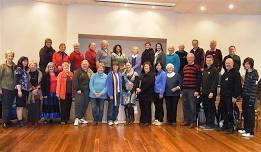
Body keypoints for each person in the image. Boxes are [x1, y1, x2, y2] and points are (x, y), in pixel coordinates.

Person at [219, 58, 242, 133]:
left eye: (229, 63)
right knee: (224, 112)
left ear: (232, 64)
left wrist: (235, 96)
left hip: (231, 97)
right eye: (226, 63)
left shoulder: (236, 73)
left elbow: (238, 86)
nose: (227, 64)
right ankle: (225, 125)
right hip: (223, 97)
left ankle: (231, 127)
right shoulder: (225, 74)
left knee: (230, 112)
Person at [238, 58, 259, 137]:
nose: (246, 65)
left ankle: (250, 132)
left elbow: (254, 88)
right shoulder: (247, 72)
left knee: (250, 115)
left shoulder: (254, 73)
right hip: (245, 96)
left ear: (251, 64)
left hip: (251, 97)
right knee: (245, 113)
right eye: (245, 64)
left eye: (248, 64)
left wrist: (252, 100)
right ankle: (246, 129)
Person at [182, 53, 202, 129]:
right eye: (188, 58)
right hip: (185, 89)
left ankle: (193, 122)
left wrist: (197, 90)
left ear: (193, 58)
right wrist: (182, 89)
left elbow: (199, 79)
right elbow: (183, 78)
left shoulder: (197, 67)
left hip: (192, 90)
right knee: (185, 106)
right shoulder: (185, 67)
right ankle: (187, 120)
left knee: (192, 106)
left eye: (191, 58)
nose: (189, 59)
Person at [201, 55, 219, 130]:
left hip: (210, 93)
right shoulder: (205, 70)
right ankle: (207, 123)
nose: (208, 62)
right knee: (206, 108)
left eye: (209, 60)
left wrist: (211, 92)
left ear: (212, 61)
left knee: (211, 108)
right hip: (204, 93)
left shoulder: (214, 70)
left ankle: (211, 124)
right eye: (207, 60)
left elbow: (215, 82)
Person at [73, 60, 93, 126]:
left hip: (87, 91)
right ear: (81, 64)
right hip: (80, 91)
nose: (85, 65)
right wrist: (78, 89)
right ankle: (76, 118)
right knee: (79, 104)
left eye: (86, 64)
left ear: (88, 65)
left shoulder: (90, 72)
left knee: (85, 104)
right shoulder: (77, 72)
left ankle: (81, 118)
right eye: (83, 64)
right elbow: (75, 81)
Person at [0, 50, 16, 128]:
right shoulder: (2, 66)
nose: (10, 57)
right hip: (5, 88)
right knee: (5, 106)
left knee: (10, 105)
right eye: (9, 56)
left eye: (11, 56)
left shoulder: (14, 66)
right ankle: (4, 122)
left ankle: (8, 120)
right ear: (6, 56)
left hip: (12, 89)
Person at [15, 56, 30, 127]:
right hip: (20, 90)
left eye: (26, 61)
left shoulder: (25, 70)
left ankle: (20, 120)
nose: (25, 62)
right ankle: (19, 122)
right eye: (23, 61)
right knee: (19, 106)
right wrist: (19, 91)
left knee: (21, 106)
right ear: (20, 62)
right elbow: (17, 81)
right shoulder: (19, 69)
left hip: (25, 90)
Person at [107, 61, 123, 125]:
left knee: (116, 107)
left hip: (118, 93)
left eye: (116, 66)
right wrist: (110, 94)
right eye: (114, 66)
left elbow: (121, 84)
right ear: (112, 67)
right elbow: (109, 85)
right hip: (112, 94)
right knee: (111, 107)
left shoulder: (119, 74)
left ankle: (115, 118)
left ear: (118, 67)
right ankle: (110, 119)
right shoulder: (110, 74)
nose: (115, 67)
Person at [27, 61, 42, 126]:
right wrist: (32, 89)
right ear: (29, 66)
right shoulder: (27, 73)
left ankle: (36, 120)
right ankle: (31, 120)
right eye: (31, 65)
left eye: (34, 65)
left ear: (36, 66)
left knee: (37, 105)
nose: (33, 66)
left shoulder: (40, 73)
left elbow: (41, 81)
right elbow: (26, 82)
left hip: (38, 91)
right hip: (30, 92)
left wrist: (36, 89)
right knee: (31, 106)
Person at [153, 61, 166, 126]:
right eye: (157, 65)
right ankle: (156, 119)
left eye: (159, 65)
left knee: (160, 106)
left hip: (160, 92)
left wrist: (161, 93)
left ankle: (160, 120)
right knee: (156, 106)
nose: (158, 66)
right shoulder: (156, 73)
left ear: (161, 66)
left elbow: (163, 84)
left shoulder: (163, 73)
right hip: (155, 92)